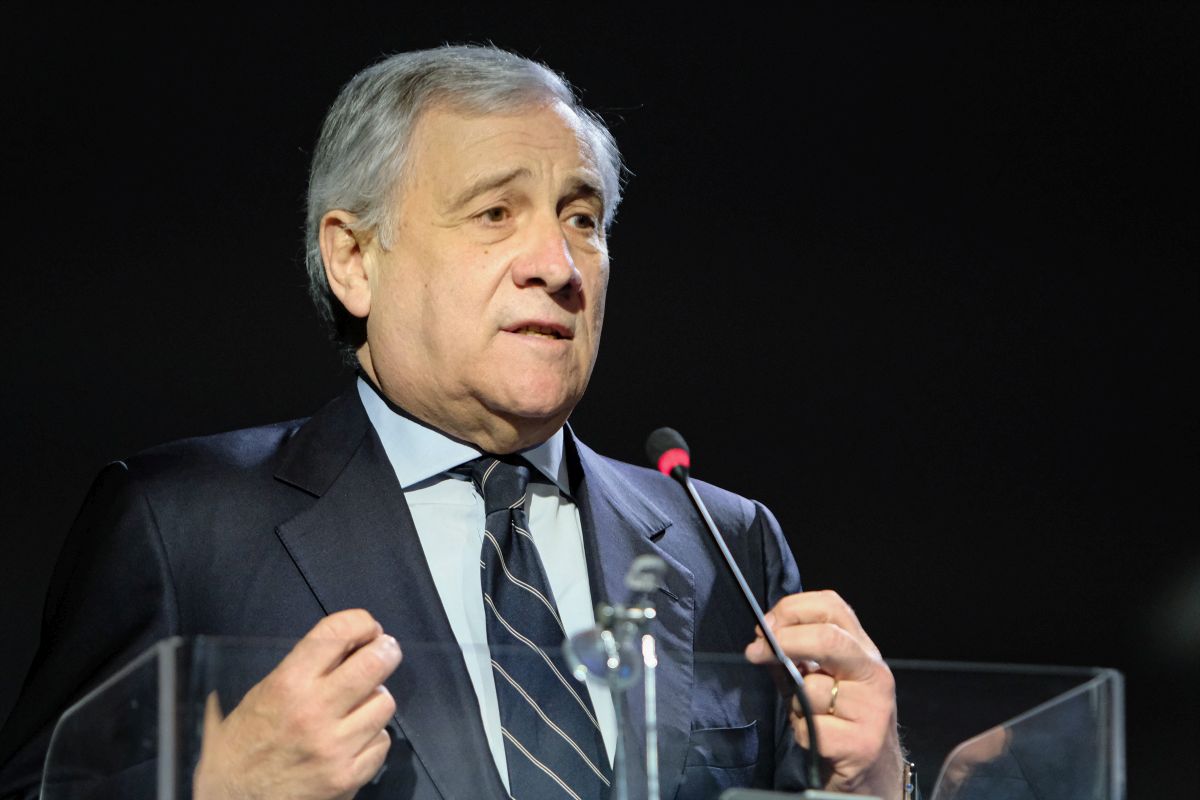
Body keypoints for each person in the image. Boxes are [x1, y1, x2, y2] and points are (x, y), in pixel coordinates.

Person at [0, 45, 906, 799]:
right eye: (495, 212)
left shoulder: (726, 544)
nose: (559, 265)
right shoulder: (181, 525)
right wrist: (220, 793)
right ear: (354, 259)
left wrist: (876, 785)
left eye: (582, 218)